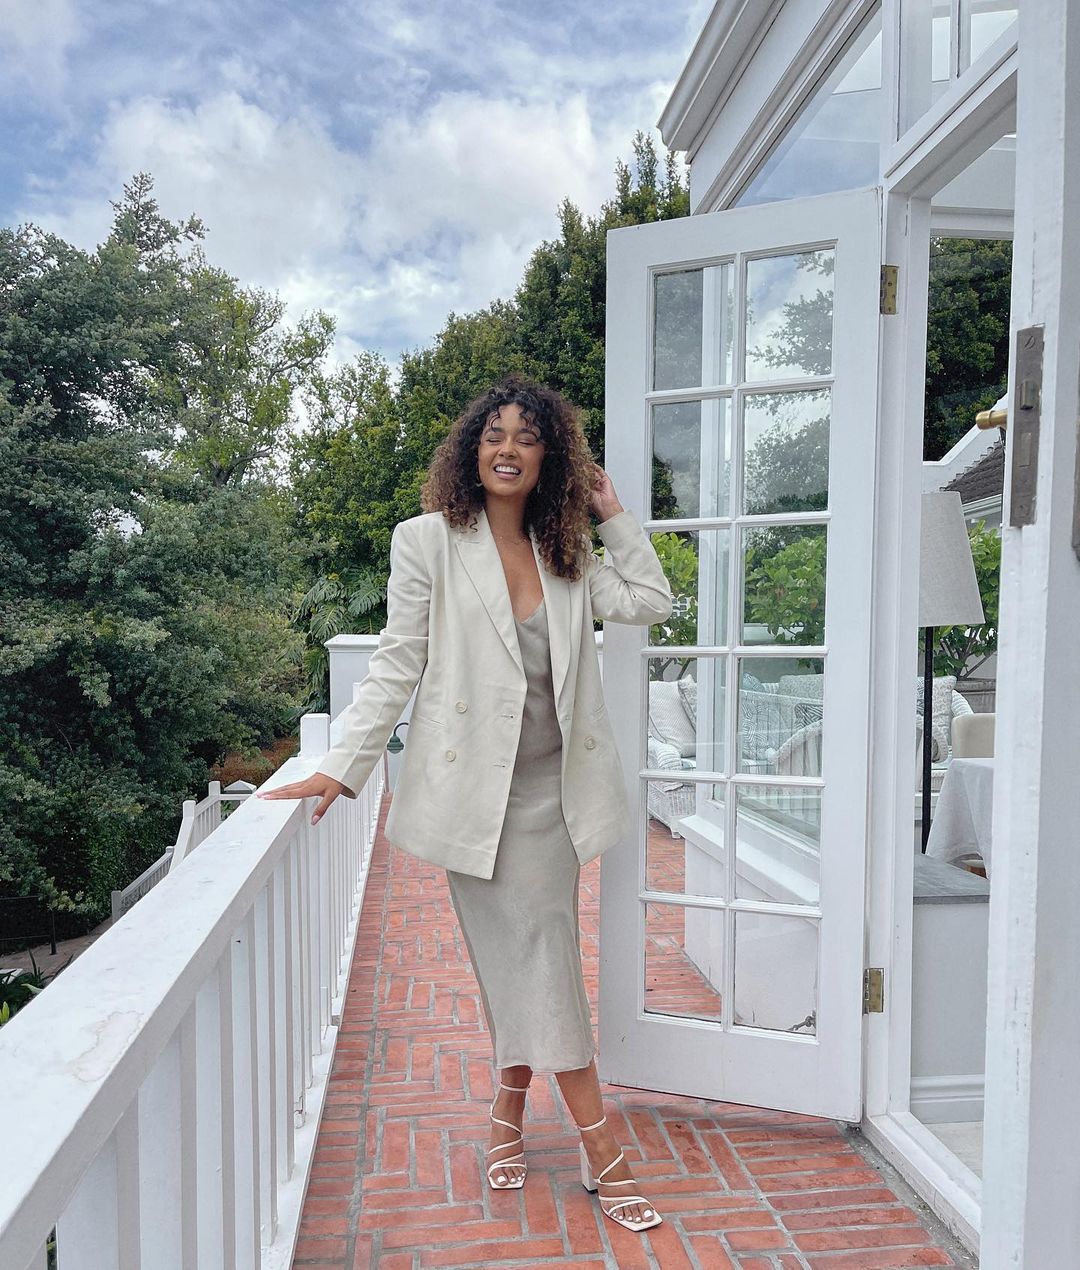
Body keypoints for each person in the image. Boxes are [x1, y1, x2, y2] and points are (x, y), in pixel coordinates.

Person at [258, 375, 672, 1233]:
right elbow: (397, 662)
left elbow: (651, 602)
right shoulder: (428, 542)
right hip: (477, 799)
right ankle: (595, 1143)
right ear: (472, 450)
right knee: (532, 961)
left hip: (555, 798)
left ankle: (518, 1116)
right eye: (494, 434)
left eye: (528, 436)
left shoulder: (567, 550)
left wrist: (612, 515)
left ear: (550, 457)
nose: (508, 448)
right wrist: (343, 766)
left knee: (538, 957)